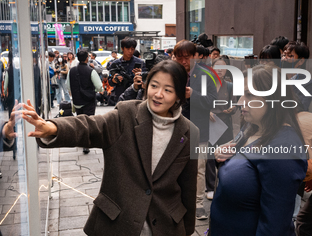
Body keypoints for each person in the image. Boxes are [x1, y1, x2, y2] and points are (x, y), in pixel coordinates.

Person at [21, 60, 199, 236]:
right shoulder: (126, 114)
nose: (158, 94)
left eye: (168, 90)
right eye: (154, 85)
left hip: (166, 226)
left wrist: (187, 229)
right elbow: (90, 127)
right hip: (118, 222)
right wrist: (53, 128)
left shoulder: (190, 132)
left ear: (179, 96)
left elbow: (188, 187)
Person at [210, 65, 307, 235]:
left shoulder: (284, 149)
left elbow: (274, 226)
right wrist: (221, 157)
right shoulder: (252, 128)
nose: (240, 102)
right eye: (242, 94)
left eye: (249, 95)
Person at [174, 40, 218, 220]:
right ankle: (176, 202)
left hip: (198, 130)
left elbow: (211, 101)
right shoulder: (171, 73)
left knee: (199, 168)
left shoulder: (206, 75)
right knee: (175, 167)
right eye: (180, 57)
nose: (184, 61)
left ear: (195, 57)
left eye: (187, 57)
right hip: (175, 130)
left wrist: (194, 95)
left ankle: (197, 203)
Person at [206, 57, 237, 200]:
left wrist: (232, 108)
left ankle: (225, 184)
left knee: (225, 155)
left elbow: (235, 105)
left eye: (223, 67)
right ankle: (210, 187)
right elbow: (198, 103)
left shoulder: (230, 86)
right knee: (210, 156)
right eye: (217, 66)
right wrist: (207, 111)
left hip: (225, 123)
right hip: (210, 122)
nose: (220, 70)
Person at [67, 50, 103, 154]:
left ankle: (81, 140)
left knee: (80, 120)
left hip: (77, 101)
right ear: (87, 58)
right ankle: (86, 144)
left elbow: (68, 86)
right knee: (88, 121)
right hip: (89, 100)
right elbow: (99, 87)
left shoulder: (71, 71)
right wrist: (93, 90)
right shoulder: (91, 71)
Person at [106, 37, 146, 106]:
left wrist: (140, 74)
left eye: (132, 49)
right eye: (128, 49)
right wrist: (114, 80)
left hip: (136, 97)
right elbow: (110, 81)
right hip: (120, 96)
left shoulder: (140, 62)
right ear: (122, 49)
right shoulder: (115, 63)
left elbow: (146, 80)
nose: (130, 51)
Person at [281, 41, 312, 111]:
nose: (284, 58)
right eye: (283, 55)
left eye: (289, 56)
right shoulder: (273, 76)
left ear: (301, 61)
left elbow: (301, 106)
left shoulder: (306, 83)